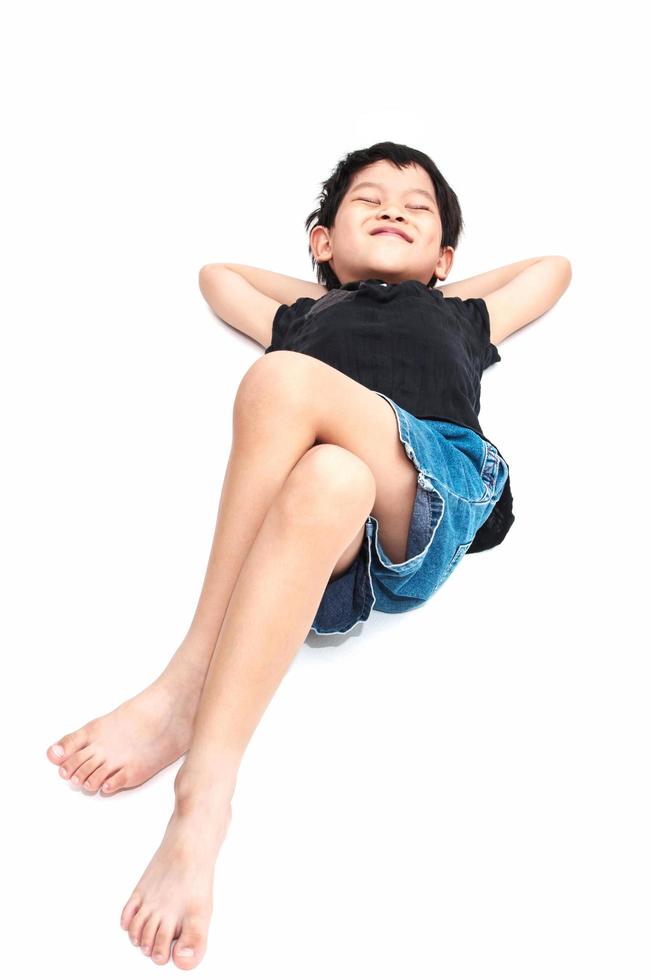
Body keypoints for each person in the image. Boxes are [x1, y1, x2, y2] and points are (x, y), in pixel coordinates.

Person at [45, 141, 572, 969]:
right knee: (327, 471)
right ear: (320, 238)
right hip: (323, 547)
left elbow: (552, 267)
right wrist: (329, 289)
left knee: (282, 382)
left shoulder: (457, 314)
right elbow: (217, 274)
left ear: (445, 257)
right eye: (369, 200)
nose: (393, 208)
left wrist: (426, 282)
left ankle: (188, 692)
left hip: (431, 489)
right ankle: (205, 805)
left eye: (416, 206)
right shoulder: (302, 317)